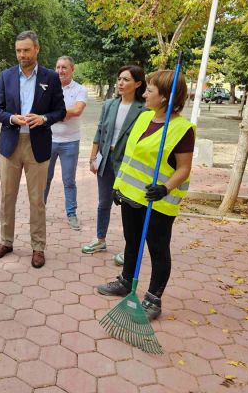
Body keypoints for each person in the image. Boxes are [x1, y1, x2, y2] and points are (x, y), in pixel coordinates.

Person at [96, 69, 195, 320]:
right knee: (132, 241)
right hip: (132, 196)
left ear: (164, 97)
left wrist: (165, 188)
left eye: (150, 90)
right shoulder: (144, 118)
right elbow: (130, 157)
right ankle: (126, 281)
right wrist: (118, 186)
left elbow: (184, 168)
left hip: (158, 202)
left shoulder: (182, 129)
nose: (144, 93)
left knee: (158, 249)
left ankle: (153, 299)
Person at [0, 31, 66, 269]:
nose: (22, 55)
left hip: (38, 146)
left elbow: (60, 111)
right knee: (7, 197)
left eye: (26, 50)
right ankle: (6, 241)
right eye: (18, 50)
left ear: (36, 50)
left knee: (36, 200)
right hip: (10, 145)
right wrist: (12, 118)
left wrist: (43, 119)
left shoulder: (50, 78)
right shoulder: (6, 76)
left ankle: (38, 247)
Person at [84, 65, 147, 263]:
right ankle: (100, 239)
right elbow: (100, 131)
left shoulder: (144, 109)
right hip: (106, 159)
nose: (120, 83)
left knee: (129, 207)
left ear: (138, 83)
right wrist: (93, 157)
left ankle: (130, 251)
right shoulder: (110, 104)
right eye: (119, 79)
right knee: (104, 202)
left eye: (126, 80)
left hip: (128, 163)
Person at [43, 56, 87, 230]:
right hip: (48, 140)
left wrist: (54, 114)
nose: (60, 71)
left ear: (72, 69)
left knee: (69, 180)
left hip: (70, 142)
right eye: (58, 67)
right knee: (44, 179)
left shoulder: (80, 90)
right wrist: (62, 114)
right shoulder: (47, 88)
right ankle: (40, 211)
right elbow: (41, 111)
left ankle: (71, 214)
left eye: (64, 67)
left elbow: (76, 111)